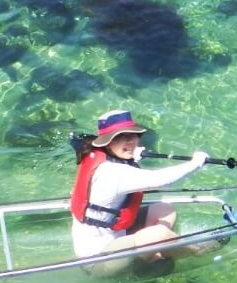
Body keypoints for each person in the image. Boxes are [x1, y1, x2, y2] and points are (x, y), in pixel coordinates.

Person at [70, 110, 209, 272]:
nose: (129, 141)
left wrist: (128, 156)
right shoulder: (111, 172)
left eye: (133, 135)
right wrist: (196, 162)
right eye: (120, 137)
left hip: (117, 234)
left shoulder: (102, 157)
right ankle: (198, 251)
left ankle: (151, 254)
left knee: (164, 209)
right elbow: (162, 180)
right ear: (107, 143)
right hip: (100, 260)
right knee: (159, 233)